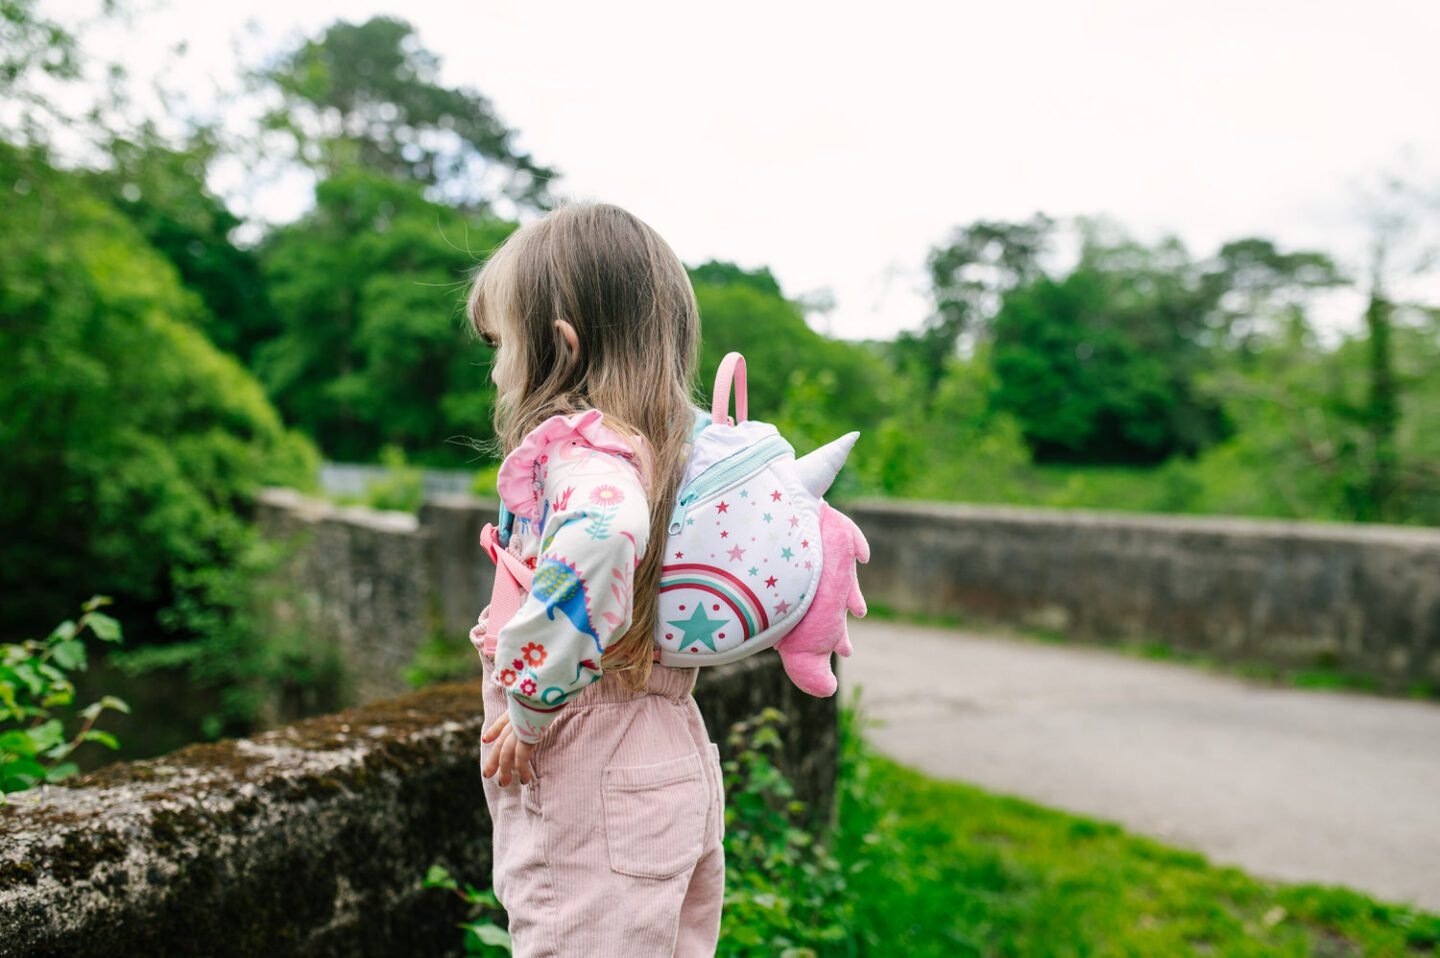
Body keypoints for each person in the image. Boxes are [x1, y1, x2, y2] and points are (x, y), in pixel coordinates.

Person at [465, 201, 726, 957]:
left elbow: (604, 533)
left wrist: (530, 701)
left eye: (501, 343)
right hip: (670, 756)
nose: (494, 368)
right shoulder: (677, 453)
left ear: (560, 347)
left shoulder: (589, 459)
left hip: (592, 771)